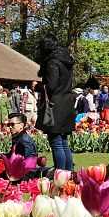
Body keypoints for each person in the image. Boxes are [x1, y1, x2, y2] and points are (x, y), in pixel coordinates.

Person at [38, 35, 75, 172]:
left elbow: (51, 85)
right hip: (67, 102)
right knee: (63, 142)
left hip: (56, 105)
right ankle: (68, 173)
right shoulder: (66, 60)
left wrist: (38, 87)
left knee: (56, 142)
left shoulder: (52, 62)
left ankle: (60, 173)